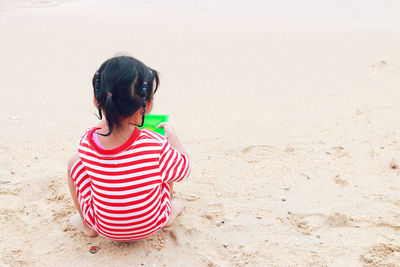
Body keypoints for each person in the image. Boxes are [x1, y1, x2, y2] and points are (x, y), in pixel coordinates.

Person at [67, 55, 190, 241]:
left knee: (74, 163)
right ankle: (169, 213)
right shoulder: (155, 143)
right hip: (152, 224)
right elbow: (183, 169)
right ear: (146, 107)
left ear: (96, 101)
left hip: (105, 228)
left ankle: (87, 224)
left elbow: (96, 149)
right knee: (165, 166)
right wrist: (171, 134)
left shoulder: (87, 141)